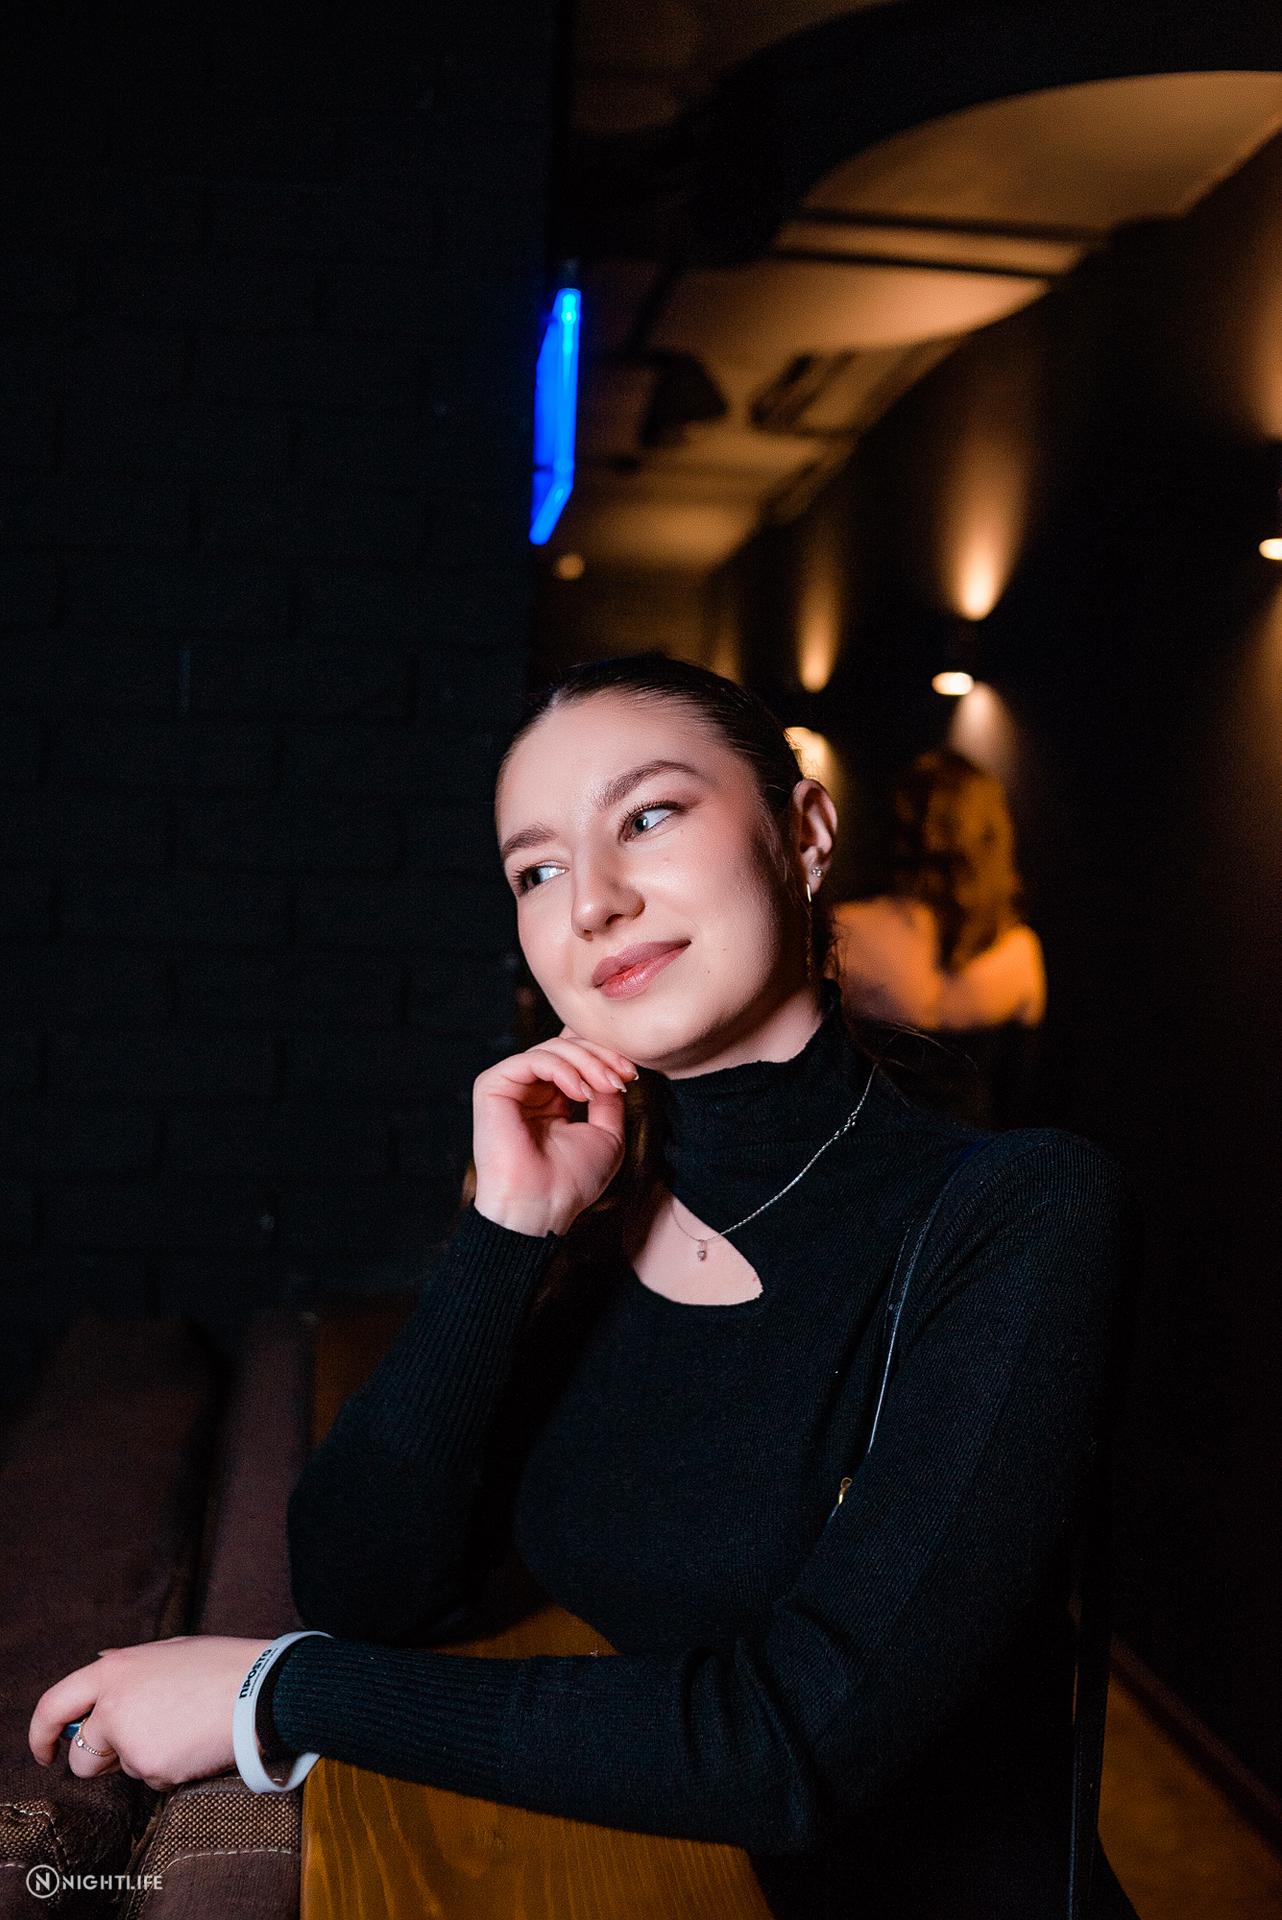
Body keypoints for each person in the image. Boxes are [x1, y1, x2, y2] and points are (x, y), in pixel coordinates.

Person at [28, 653, 1140, 1919]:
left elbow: (796, 1742)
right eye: (537, 871)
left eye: (649, 816)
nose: (594, 903)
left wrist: (275, 1694)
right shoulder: (601, 1212)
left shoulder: (1020, 1211)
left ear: (805, 834)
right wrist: (505, 1230)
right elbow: (362, 1587)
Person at [832, 748, 1047, 1128]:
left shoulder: (843, 934)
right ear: (992, 837)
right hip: (978, 1160)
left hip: (872, 1157)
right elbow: (1022, 1101)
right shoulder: (1019, 951)